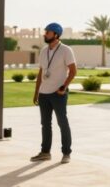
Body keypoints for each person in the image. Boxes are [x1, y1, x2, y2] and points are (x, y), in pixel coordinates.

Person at [30, 22, 77, 163]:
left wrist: (63, 87)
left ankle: (66, 153)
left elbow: (73, 71)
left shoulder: (66, 50)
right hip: (44, 93)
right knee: (45, 124)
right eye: (45, 32)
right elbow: (41, 72)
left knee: (62, 123)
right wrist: (36, 92)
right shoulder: (44, 51)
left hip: (58, 93)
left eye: (48, 32)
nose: (45, 34)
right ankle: (45, 152)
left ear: (56, 34)